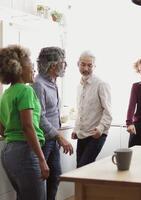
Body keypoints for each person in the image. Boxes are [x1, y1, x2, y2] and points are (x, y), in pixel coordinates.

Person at [0, 45, 49, 200]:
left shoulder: (7, 93)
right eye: (31, 64)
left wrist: (12, 137)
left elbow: (2, 127)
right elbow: (28, 127)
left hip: (9, 152)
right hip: (25, 152)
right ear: (19, 68)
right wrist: (42, 160)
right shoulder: (26, 91)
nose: (34, 68)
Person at [33, 47, 74, 200]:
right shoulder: (38, 84)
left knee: (55, 176)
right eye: (63, 62)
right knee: (40, 180)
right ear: (53, 65)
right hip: (44, 140)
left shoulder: (52, 82)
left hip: (53, 139)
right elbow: (40, 117)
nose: (65, 66)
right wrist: (59, 137)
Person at [71, 51, 112, 168]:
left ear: (94, 66)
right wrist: (76, 129)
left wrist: (100, 128)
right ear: (77, 64)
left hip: (97, 134)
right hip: (82, 134)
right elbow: (81, 111)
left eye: (90, 65)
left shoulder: (101, 84)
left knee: (83, 167)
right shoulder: (79, 86)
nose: (86, 68)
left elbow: (108, 112)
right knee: (79, 169)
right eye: (83, 64)